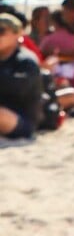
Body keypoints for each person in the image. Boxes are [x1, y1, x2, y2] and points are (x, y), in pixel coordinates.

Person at [0, 13, 43, 142]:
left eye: (1, 31)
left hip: (22, 120)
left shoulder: (26, 60)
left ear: (17, 34)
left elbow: (19, 87)